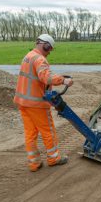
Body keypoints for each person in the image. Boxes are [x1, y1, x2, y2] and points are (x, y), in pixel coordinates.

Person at [14, 34, 73, 172]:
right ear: (45, 45)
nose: (49, 52)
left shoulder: (28, 56)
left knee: (30, 133)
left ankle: (34, 163)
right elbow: (45, 77)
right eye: (49, 49)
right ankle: (54, 158)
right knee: (48, 131)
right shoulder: (40, 59)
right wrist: (63, 80)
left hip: (23, 103)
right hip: (36, 104)